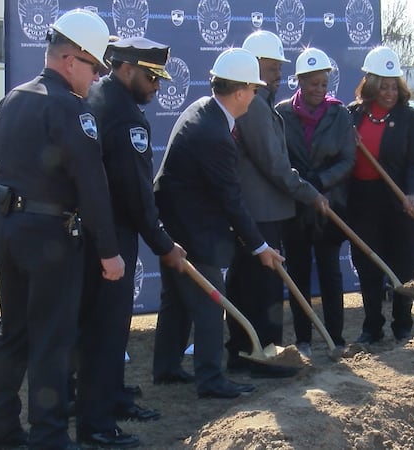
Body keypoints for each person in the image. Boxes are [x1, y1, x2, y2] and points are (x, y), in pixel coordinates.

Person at [0, 9, 128, 450]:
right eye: (94, 67)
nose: (96, 78)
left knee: (14, 333)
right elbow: (91, 185)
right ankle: (49, 437)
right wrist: (109, 252)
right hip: (49, 237)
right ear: (70, 59)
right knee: (53, 338)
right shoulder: (70, 109)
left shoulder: (13, 99)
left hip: (6, 229)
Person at [152, 48, 284, 399]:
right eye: (253, 90)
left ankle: (166, 367)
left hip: (177, 222)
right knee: (211, 304)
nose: (255, 96)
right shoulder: (214, 133)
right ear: (239, 91)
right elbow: (231, 199)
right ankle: (211, 379)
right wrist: (260, 247)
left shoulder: (203, 111)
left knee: (177, 300)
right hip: (192, 228)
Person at [77, 35, 187, 438]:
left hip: (88, 232)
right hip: (111, 236)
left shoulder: (96, 95)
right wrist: (164, 244)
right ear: (125, 69)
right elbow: (135, 194)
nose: (157, 87)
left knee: (101, 325)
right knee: (106, 330)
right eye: (151, 77)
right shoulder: (126, 117)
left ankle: (113, 396)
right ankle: (98, 422)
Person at [225, 30, 327, 375]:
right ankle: (262, 353)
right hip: (260, 212)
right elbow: (274, 164)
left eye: (279, 68)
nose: (278, 75)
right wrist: (310, 194)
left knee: (248, 284)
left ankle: (242, 351)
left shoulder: (260, 104)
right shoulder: (252, 106)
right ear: (253, 67)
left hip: (260, 210)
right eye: (271, 69)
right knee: (261, 289)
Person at [346, 46, 414, 344]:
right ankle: (371, 326)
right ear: (370, 84)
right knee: (368, 265)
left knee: (404, 263)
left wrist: (410, 193)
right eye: (383, 85)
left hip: (401, 202)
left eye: (394, 85)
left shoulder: (410, 119)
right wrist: (348, 141)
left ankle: (402, 323)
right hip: (363, 202)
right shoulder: (352, 116)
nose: (389, 92)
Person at [275, 47, 356, 356]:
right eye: (313, 84)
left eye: (324, 84)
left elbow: (348, 159)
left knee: (330, 272)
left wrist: (320, 183)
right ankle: (304, 339)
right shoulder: (282, 113)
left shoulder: (340, 114)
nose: (319, 90)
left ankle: (335, 338)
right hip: (294, 206)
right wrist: (302, 186)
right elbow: (279, 158)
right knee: (297, 273)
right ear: (300, 82)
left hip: (328, 205)